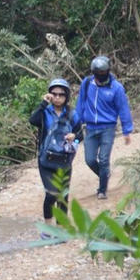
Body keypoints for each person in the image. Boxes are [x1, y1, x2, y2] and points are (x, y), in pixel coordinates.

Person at [74, 55, 133, 200]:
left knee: (104, 159)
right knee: (90, 160)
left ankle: (102, 190)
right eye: (97, 73)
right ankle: (105, 174)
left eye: (102, 73)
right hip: (90, 128)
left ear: (108, 71)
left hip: (108, 127)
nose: (99, 76)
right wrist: (75, 125)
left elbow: (123, 109)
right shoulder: (87, 83)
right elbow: (80, 104)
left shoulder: (116, 88)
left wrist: (127, 130)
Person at [29, 78, 81, 233]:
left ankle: (60, 229)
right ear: (49, 94)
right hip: (46, 161)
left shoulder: (72, 114)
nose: (57, 97)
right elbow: (33, 120)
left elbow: (80, 134)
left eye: (61, 94)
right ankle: (47, 227)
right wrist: (44, 103)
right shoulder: (44, 112)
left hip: (64, 160)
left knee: (63, 196)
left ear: (66, 96)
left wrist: (74, 136)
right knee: (51, 193)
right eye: (54, 94)